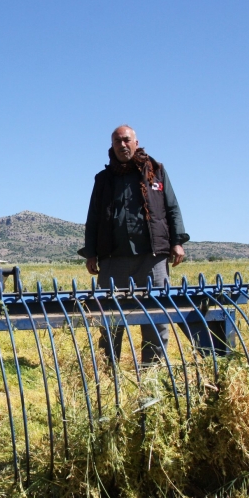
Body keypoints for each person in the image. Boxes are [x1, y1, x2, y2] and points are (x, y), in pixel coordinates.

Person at [78, 125, 189, 364]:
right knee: (109, 318)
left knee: (155, 316)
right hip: (112, 259)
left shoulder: (156, 172)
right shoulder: (103, 179)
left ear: (136, 143)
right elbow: (93, 218)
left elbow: (172, 208)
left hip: (151, 257)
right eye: (117, 141)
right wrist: (91, 253)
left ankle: (153, 372)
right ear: (112, 146)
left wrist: (177, 241)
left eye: (126, 140)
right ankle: (108, 372)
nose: (122, 144)